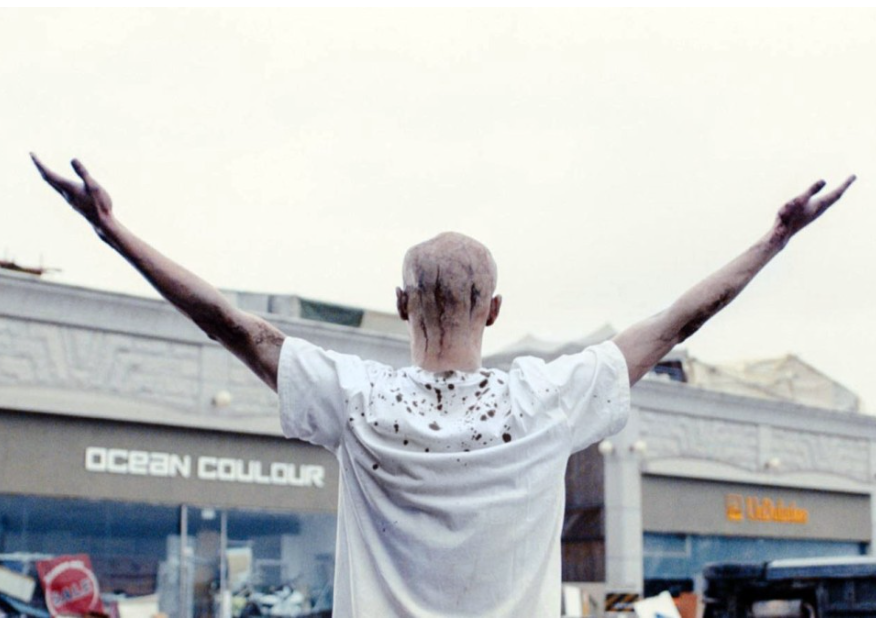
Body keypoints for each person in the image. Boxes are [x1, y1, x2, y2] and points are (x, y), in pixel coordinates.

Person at [31, 154, 855, 617]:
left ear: (400, 304)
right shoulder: (546, 401)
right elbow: (674, 322)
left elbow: (231, 323)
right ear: (495, 310)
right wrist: (774, 239)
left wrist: (112, 230)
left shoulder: (358, 400)